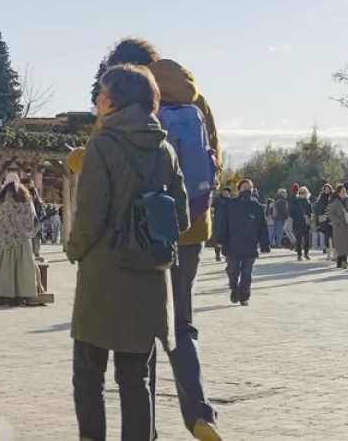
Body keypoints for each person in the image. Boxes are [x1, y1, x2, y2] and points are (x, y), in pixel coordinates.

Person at [94, 41, 225, 440]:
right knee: (181, 324)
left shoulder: (126, 101)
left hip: (142, 229)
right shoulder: (194, 96)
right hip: (192, 227)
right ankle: (199, 412)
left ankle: (143, 431)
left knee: (141, 332)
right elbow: (215, 160)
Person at [67, 64, 190, 441]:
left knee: (89, 373)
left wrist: (74, 249)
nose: (97, 99)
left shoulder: (102, 145)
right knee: (137, 378)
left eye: (102, 92)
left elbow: (90, 215)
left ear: (117, 100)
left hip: (105, 274)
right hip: (151, 274)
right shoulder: (165, 149)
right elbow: (182, 217)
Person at [0, 173, 41, 306]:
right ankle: (20, 295)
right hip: (22, 241)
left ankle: (2, 295)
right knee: (22, 268)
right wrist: (24, 230)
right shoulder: (24, 196)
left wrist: (6, 230)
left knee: (4, 267)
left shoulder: (0, 199)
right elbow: (31, 215)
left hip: (5, 240)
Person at [216, 180, 270, 305]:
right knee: (232, 270)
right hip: (232, 244)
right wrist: (220, 239)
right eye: (244, 187)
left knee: (247, 273)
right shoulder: (230, 204)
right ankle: (234, 288)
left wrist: (264, 244)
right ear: (239, 189)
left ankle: (244, 296)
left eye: (249, 188)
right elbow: (223, 224)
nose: (247, 190)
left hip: (250, 245)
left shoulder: (256, 207)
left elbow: (262, 226)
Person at [327, 184, 348, 269]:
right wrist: (337, 221)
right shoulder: (334, 203)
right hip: (339, 226)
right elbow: (331, 214)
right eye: (342, 192)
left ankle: (344, 261)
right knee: (340, 244)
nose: (344, 193)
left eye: (345, 192)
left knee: (347, 244)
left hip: (347, 224)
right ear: (338, 193)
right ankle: (341, 261)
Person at [289, 186, 313, 260]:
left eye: (303, 192)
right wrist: (296, 217)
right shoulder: (295, 202)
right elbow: (291, 211)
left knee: (307, 240)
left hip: (306, 223)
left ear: (306, 193)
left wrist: (308, 216)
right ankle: (299, 255)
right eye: (300, 192)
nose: (301, 194)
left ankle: (306, 253)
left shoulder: (308, 202)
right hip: (298, 223)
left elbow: (310, 211)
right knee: (298, 240)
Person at [211, 187, 232, 263]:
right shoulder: (217, 200)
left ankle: (227, 255)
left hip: (228, 223)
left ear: (230, 194)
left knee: (228, 240)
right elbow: (210, 206)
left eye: (227, 193)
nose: (225, 194)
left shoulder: (232, 201)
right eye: (224, 192)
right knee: (218, 240)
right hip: (218, 223)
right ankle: (217, 254)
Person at [314, 184, 334, 257]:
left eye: (328, 189)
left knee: (333, 237)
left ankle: (334, 254)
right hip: (324, 220)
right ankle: (328, 254)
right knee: (327, 236)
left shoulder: (333, 198)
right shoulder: (320, 199)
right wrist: (318, 223)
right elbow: (317, 211)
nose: (327, 191)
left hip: (332, 219)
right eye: (325, 189)